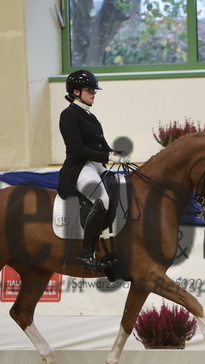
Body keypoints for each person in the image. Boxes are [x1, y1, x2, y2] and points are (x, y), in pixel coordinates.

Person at [57, 69, 129, 272]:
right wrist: (107, 157)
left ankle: (110, 241)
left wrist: (114, 153)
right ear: (76, 91)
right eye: (90, 90)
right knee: (101, 199)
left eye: (94, 90)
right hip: (80, 167)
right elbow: (76, 149)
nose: (94, 93)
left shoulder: (90, 116)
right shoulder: (68, 115)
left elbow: (101, 145)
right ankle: (86, 254)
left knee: (122, 189)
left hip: (96, 166)